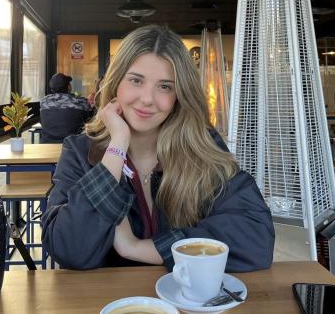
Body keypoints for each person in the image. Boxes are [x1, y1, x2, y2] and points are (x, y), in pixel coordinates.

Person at [42, 26, 274, 271]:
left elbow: (255, 238)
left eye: (165, 86)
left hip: (184, 293)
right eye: (136, 80)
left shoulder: (202, 145)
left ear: (179, 95)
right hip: (112, 295)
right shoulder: (80, 152)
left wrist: (138, 248)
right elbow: (68, 248)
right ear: (116, 82)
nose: (147, 99)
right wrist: (117, 145)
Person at [40, 72, 93, 143]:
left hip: (47, 144)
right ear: (69, 87)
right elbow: (90, 119)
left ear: (52, 88)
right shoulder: (80, 101)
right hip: (72, 145)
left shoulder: (44, 101)